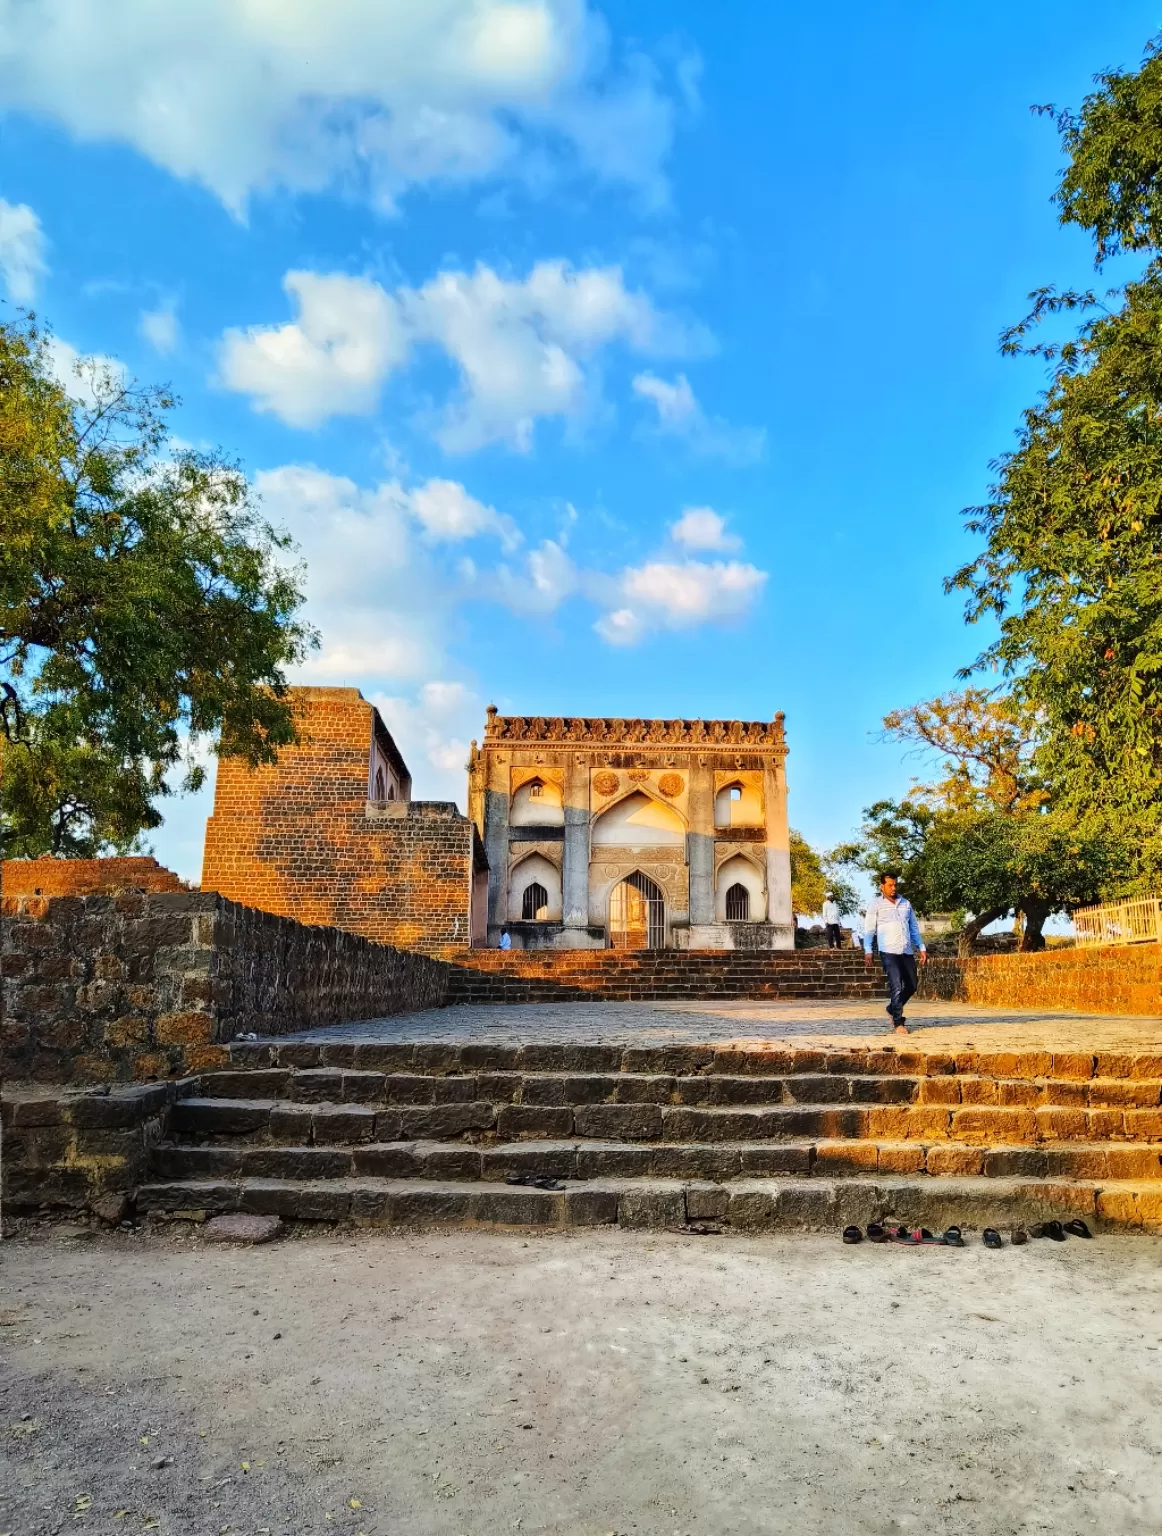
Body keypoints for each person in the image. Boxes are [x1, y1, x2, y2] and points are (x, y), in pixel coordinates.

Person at [863, 872, 927, 1033]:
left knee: (912, 985)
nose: (893, 888)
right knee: (896, 986)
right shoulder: (875, 905)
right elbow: (869, 930)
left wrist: (921, 947)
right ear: (882, 886)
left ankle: (892, 1008)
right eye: (890, 885)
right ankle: (898, 1023)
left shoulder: (906, 903)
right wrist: (868, 950)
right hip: (888, 951)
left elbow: (913, 928)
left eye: (895, 884)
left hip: (905, 950)